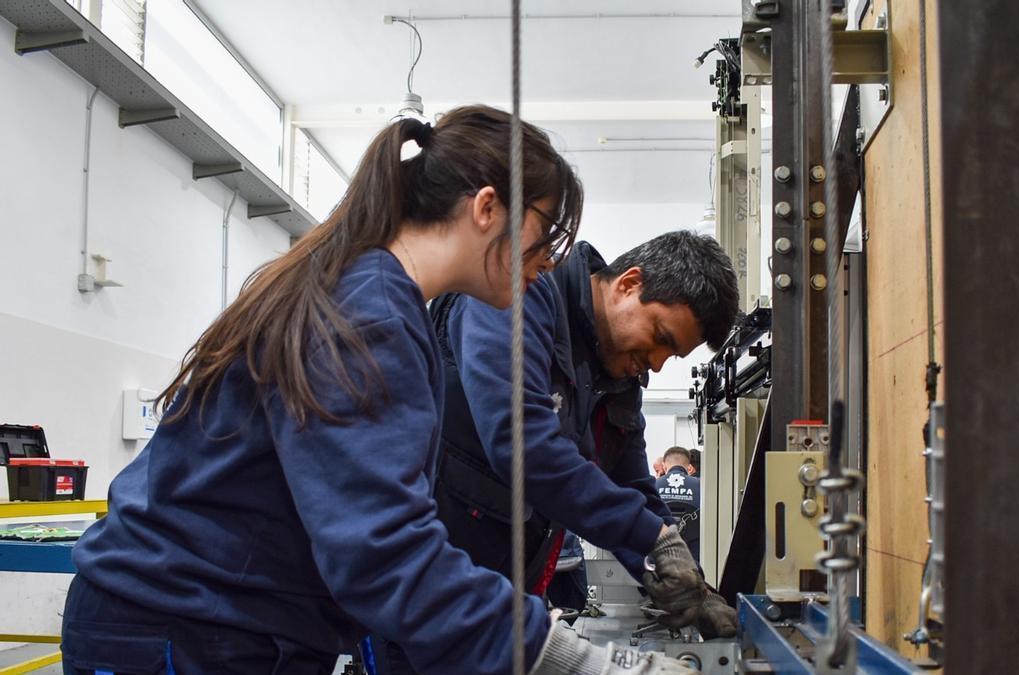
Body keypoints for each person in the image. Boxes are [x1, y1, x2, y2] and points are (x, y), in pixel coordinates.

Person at [60, 106, 692, 675]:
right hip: (182, 630)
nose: (550, 258)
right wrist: (583, 664)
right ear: (488, 208)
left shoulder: (371, 293)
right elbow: (385, 553)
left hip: (217, 624)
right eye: (544, 229)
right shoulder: (370, 313)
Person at [421, 230, 740, 659]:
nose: (659, 364)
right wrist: (653, 536)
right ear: (629, 284)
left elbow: (634, 488)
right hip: (428, 585)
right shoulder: (517, 295)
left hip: (504, 598)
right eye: (662, 337)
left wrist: (692, 586)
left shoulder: (618, 381)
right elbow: (524, 447)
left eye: (675, 355)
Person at [655, 447, 702, 562]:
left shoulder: (653, 485)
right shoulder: (701, 485)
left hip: (660, 556)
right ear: (688, 466)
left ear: (664, 466)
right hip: (693, 557)